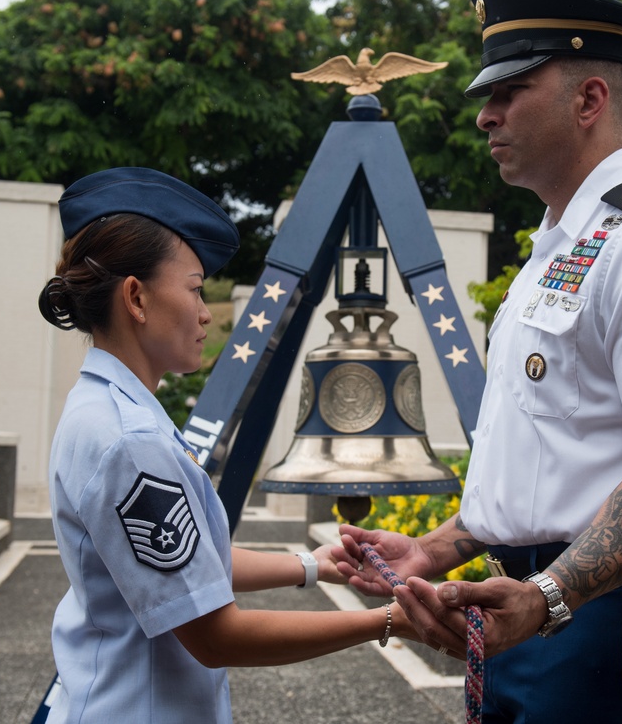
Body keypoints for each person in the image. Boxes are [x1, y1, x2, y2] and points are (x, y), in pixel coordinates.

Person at [335, 0, 622, 723]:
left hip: (618, 612)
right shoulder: (558, 249)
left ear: (589, 99)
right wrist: (435, 550)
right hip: (537, 609)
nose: (484, 115)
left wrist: (550, 595)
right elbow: (552, 459)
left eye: (509, 91)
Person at [38, 167, 415, 723]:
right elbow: (217, 637)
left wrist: (311, 566)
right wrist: (392, 621)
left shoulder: (106, 409)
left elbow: (187, 562)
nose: (205, 312)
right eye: (193, 289)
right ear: (136, 298)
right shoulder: (129, 439)